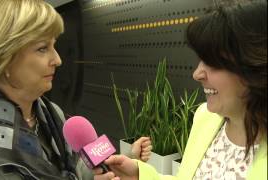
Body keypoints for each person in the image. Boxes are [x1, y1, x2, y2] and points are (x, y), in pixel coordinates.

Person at [0, 0, 152, 179]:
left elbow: (81, 172)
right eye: (42, 48)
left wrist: (126, 160)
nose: (58, 60)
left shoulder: (55, 115)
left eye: (54, 46)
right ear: (2, 59)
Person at [93, 1, 267, 180]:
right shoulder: (205, 118)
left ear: (255, 66)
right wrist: (140, 176)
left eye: (212, 62)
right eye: (201, 60)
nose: (197, 74)